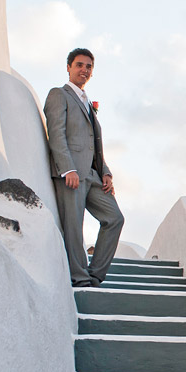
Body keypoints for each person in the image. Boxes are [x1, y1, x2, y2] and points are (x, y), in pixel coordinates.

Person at [44, 48, 124, 288]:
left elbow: (94, 144)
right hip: (72, 174)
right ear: (69, 67)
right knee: (74, 225)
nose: (84, 70)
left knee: (115, 218)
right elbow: (56, 133)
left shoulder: (88, 103)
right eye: (79, 65)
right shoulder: (59, 94)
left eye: (88, 66)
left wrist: (106, 172)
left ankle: (95, 274)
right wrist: (67, 168)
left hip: (93, 174)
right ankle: (79, 279)